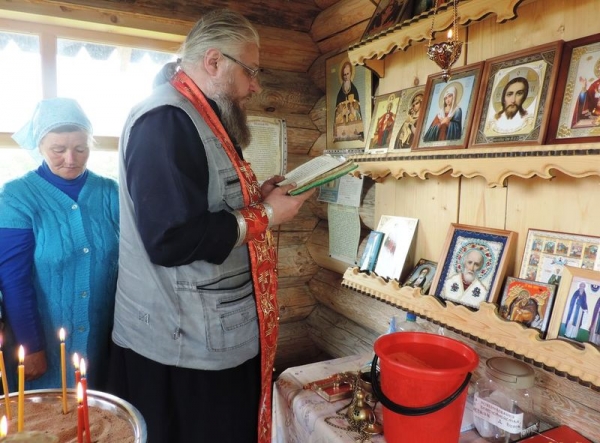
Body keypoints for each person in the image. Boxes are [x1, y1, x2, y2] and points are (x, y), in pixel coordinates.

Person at [108, 9, 314, 443]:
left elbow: (204, 205)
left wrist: (259, 198)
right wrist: (270, 215)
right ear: (215, 61)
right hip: (183, 346)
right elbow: (171, 239)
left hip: (210, 332)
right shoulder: (165, 120)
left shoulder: (201, 114)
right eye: (251, 72)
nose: (255, 86)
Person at [0, 98, 119, 391]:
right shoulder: (16, 197)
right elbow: (14, 280)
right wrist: (32, 347)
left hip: (102, 340)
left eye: (81, 149)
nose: (71, 158)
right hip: (45, 343)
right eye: (58, 150)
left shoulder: (110, 192)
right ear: (39, 146)